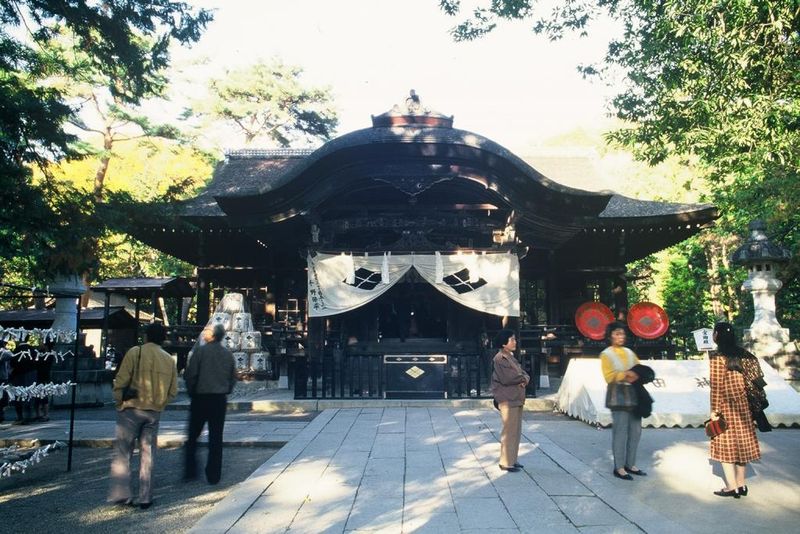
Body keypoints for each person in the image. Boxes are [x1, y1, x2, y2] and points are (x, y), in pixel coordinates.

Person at [108, 322, 178, 509]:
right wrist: (160, 403)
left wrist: (119, 401)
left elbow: (121, 380)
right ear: (163, 338)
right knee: (148, 454)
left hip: (131, 409)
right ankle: (145, 497)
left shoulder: (135, 352)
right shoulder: (168, 359)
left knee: (123, 452)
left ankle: (123, 494)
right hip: (153, 412)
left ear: (146, 336)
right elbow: (173, 390)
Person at [709, 321, 765, 498]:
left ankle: (731, 487)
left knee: (725, 447)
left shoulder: (718, 357)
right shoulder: (743, 354)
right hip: (745, 407)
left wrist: (714, 410)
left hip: (727, 407)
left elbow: (717, 386)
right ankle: (742, 485)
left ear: (716, 335)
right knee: (742, 446)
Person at [183, 324, 237, 484]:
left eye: (207, 332)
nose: (204, 334)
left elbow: (191, 374)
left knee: (193, 435)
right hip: (219, 398)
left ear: (212, 336)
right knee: (216, 437)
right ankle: (214, 474)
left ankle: (190, 470)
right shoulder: (227, 354)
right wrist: (227, 389)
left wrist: (191, 391)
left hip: (201, 397)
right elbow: (233, 377)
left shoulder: (200, 351)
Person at [601, 321, 646, 480]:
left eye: (622, 334)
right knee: (620, 432)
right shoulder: (606, 354)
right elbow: (608, 377)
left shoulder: (629, 352)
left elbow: (639, 368)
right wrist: (627, 374)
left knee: (635, 431)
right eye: (617, 334)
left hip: (634, 394)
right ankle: (619, 467)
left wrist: (636, 374)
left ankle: (631, 464)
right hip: (618, 395)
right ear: (610, 336)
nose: (621, 337)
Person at [491, 329, 529, 472]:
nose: (515, 342)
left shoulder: (510, 357)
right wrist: (523, 378)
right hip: (507, 398)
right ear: (503, 343)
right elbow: (508, 378)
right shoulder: (500, 358)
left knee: (516, 430)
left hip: (516, 397)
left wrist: (524, 378)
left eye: (514, 339)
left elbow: (523, 373)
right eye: (511, 339)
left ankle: (513, 459)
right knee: (509, 431)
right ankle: (506, 462)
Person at [0, 340, 13, 424]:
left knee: (2, 397)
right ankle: (1, 414)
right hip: (3, 377)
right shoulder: (4, 353)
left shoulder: (4, 353)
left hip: (3, 376)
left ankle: (1, 414)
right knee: (2, 398)